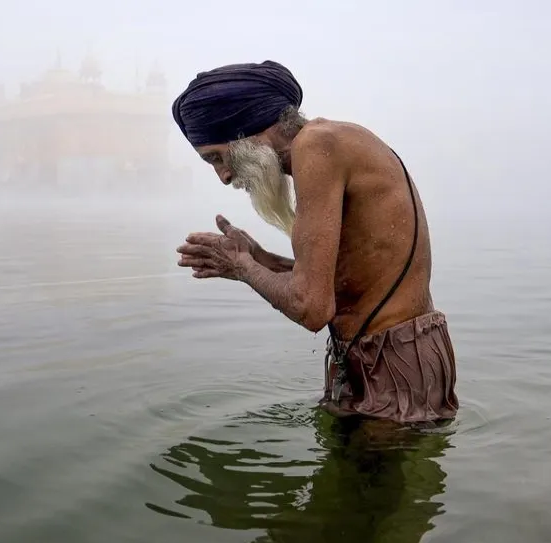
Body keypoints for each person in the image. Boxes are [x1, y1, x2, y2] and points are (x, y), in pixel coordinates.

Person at [171, 60, 458, 424]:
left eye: (216, 157)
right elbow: (342, 278)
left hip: (395, 362)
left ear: (246, 128)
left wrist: (242, 268)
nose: (224, 176)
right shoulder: (330, 143)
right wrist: (258, 258)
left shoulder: (316, 145)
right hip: (383, 357)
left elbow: (311, 307)